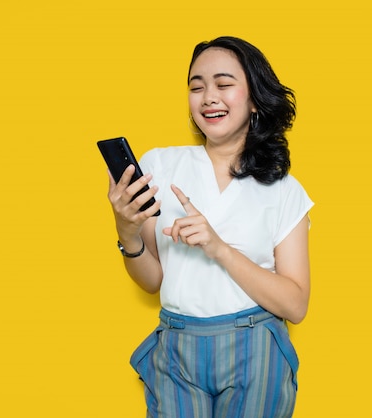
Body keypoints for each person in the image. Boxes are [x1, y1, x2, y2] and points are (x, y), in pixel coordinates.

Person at [105, 36, 313, 417]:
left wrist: (218, 248)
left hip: (255, 349)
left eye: (223, 84)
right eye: (196, 87)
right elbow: (152, 281)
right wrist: (126, 230)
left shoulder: (283, 188)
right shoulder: (161, 166)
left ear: (253, 99)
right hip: (178, 348)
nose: (207, 97)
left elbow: (295, 305)